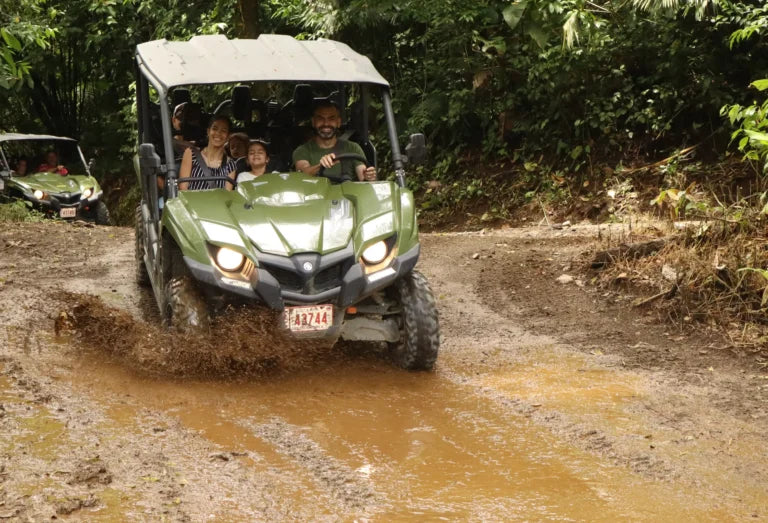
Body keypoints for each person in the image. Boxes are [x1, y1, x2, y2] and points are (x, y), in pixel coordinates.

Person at [293, 100, 376, 182]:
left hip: (347, 194)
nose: (326, 123)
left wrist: (368, 176)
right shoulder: (302, 151)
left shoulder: (353, 148)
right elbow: (302, 175)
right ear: (313, 122)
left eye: (331, 118)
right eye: (320, 118)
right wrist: (320, 166)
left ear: (338, 122)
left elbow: (363, 177)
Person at [178, 115, 236, 191]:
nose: (218, 133)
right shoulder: (191, 153)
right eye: (215, 129)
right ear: (208, 131)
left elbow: (227, 196)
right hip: (192, 201)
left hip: (217, 203)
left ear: (228, 136)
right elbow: (183, 188)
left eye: (223, 131)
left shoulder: (230, 164)